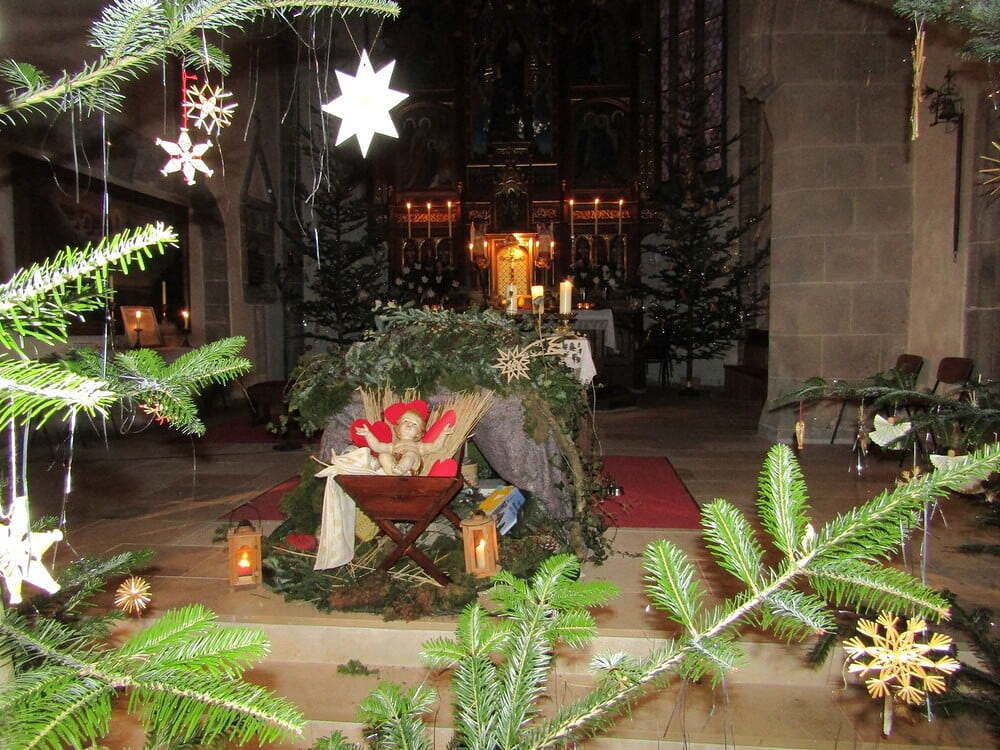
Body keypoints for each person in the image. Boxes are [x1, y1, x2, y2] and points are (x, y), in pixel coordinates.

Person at [356, 408, 452, 475]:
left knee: (410, 454)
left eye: (414, 424)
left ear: (418, 434)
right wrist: (368, 434)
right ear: (398, 428)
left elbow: (435, 447)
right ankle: (393, 474)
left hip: (412, 467)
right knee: (383, 455)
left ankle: (401, 469)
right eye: (405, 421)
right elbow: (377, 446)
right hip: (395, 465)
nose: (409, 424)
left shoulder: (418, 446)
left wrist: (443, 434)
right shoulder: (394, 445)